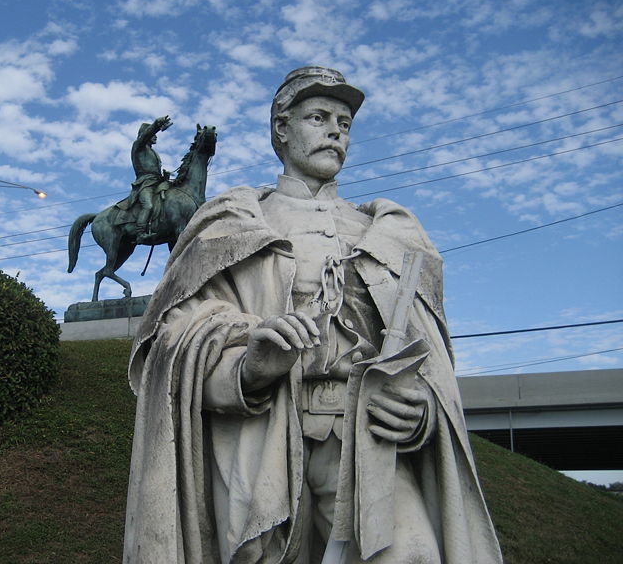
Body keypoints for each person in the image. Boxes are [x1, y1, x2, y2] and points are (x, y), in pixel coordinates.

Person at [123, 67, 502, 563]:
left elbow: (427, 358)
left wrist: (421, 413)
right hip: (258, 446)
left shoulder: (391, 233)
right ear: (282, 128)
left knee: (413, 554)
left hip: (366, 437)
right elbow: (174, 342)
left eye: (344, 123)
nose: (335, 132)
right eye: (318, 117)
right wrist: (247, 369)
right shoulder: (232, 223)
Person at [129, 115, 173, 243]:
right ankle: (140, 233)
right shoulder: (138, 146)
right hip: (145, 183)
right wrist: (156, 125)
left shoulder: (154, 152)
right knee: (148, 205)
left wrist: (164, 177)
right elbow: (147, 135)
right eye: (153, 134)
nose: (155, 136)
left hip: (157, 182)